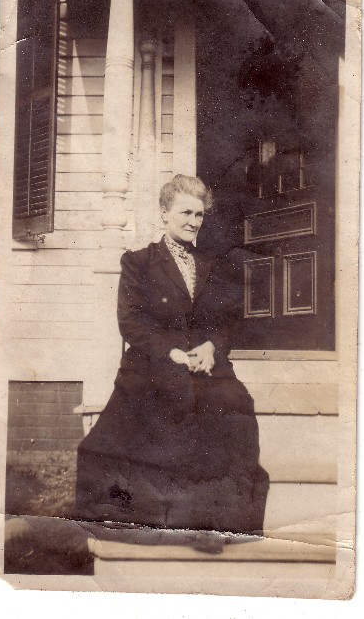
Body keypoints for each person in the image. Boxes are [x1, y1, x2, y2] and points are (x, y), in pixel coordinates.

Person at [76, 175, 269, 550]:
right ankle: (164, 522)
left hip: (206, 363)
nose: (194, 221)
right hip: (153, 365)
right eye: (186, 212)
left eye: (199, 214)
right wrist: (173, 353)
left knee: (235, 406)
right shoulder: (139, 262)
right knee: (167, 407)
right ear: (164, 213)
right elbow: (131, 322)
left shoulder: (212, 263)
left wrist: (212, 346)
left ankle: (214, 524)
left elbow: (228, 319)